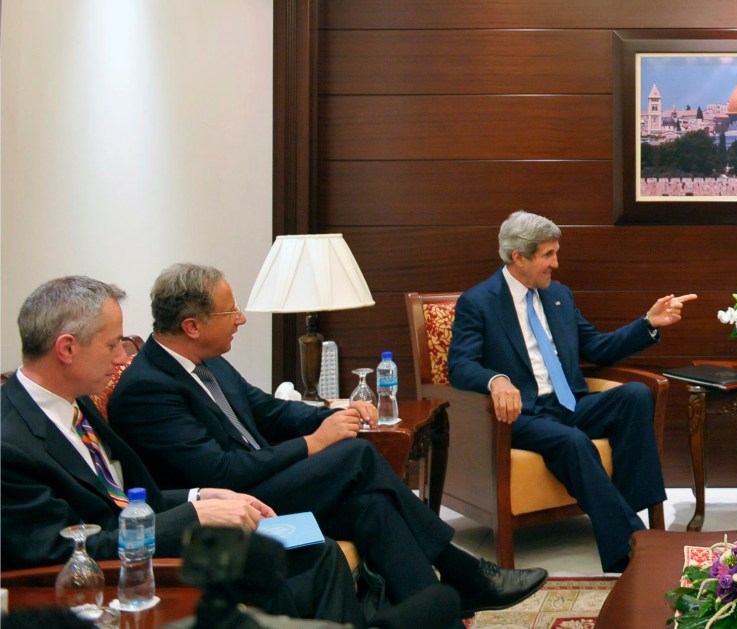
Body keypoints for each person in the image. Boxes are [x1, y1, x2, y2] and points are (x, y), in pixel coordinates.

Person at [106, 264, 546, 615]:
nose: (241, 319)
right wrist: (314, 443)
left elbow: (269, 410)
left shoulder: (208, 361)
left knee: (372, 507)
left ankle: (444, 613)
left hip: (261, 482)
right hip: (227, 507)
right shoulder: (148, 389)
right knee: (355, 455)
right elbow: (220, 471)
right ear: (192, 326)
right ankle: (462, 571)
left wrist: (333, 414)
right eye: (230, 312)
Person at [1, 276, 362, 623]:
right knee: (304, 559)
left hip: (142, 546)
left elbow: (122, 498)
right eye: (112, 345)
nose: (121, 359)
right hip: (115, 578)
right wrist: (193, 516)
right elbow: (61, 556)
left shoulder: (75, 402)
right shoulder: (10, 444)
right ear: (67, 349)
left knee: (318, 550)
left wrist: (200, 495)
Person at [446, 210, 695, 572]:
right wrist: (495, 380)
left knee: (636, 395)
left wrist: (647, 324)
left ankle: (629, 514)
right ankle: (633, 546)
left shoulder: (558, 295)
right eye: (548, 255)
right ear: (519, 257)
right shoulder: (479, 302)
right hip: (523, 413)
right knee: (573, 441)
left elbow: (597, 348)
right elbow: (460, 365)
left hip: (569, 403)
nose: (556, 264)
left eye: (555, 253)